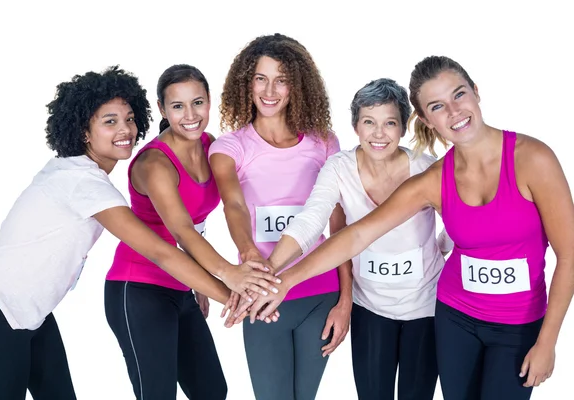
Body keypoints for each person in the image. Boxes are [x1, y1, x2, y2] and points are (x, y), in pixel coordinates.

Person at [242, 55, 574, 400]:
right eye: (437, 106)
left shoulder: (534, 159)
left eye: (459, 95)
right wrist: (285, 279)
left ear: (475, 91)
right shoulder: (433, 179)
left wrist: (548, 341)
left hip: (512, 324)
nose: (454, 112)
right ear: (427, 120)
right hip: (454, 317)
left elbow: (569, 255)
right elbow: (356, 235)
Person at [0, 66, 246, 400]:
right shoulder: (82, 183)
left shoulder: (79, 172)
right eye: (109, 121)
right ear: (84, 131)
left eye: (129, 119)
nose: (125, 130)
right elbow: (161, 251)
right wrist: (234, 294)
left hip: (35, 313)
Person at [248, 78, 452, 400]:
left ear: (402, 128)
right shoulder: (339, 167)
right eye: (369, 122)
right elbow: (312, 220)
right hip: (369, 307)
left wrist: (440, 247)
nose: (379, 134)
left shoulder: (426, 169)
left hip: (424, 308)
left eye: (390, 123)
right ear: (355, 125)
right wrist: (270, 272)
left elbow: (458, 225)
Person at [104, 64, 280, 400]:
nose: (190, 115)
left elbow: (211, 218)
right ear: (161, 109)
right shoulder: (154, 164)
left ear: (210, 101)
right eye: (177, 106)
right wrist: (231, 279)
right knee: (157, 394)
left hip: (181, 285)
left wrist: (202, 277)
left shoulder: (209, 144)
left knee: (211, 390)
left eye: (197, 103)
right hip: (139, 289)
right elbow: (183, 231)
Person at [210, 33, 350, 400]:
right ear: (247, 83)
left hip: (321, 293)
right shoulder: (230, 147)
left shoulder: (324, 142)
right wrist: (248, 253)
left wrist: (345, 301)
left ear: (297, 86)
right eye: (260, 78)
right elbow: (234, 205)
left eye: (281, 79)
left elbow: (340, 228)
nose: (269, 90)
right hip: (264, 294)